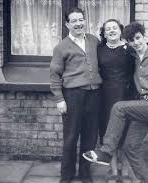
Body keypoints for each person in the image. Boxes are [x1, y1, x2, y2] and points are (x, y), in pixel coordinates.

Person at [83, 22, 148, 183]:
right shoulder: (134, 57)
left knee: (118, 108)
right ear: (128, 43)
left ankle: (107, 151)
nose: (136, 42)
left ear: (143, 37)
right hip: (143, 107)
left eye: (138, 38)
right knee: (130, 147)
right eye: (131, 40)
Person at [50, 8, 102, 183]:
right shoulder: (61, 47)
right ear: (67, 24)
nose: (79, 23)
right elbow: (54, 75)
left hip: (94, 95)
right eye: (74, 21)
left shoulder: (94, 41)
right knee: (71, 137)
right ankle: (67, 175)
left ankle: (85, 173)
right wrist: (59, 99)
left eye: (81, 19)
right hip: (73, 96)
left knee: (90, 137)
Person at [97, 19, 135, 182]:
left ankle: (125, 170)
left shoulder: (130, 49)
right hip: (105, 95)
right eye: (108, 29)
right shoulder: (99, 50)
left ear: (121, 31)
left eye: (114, 28)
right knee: (108, 130)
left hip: (126, 93)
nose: (111, 31)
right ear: (104, 34)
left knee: (126, 131)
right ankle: (112, 170)